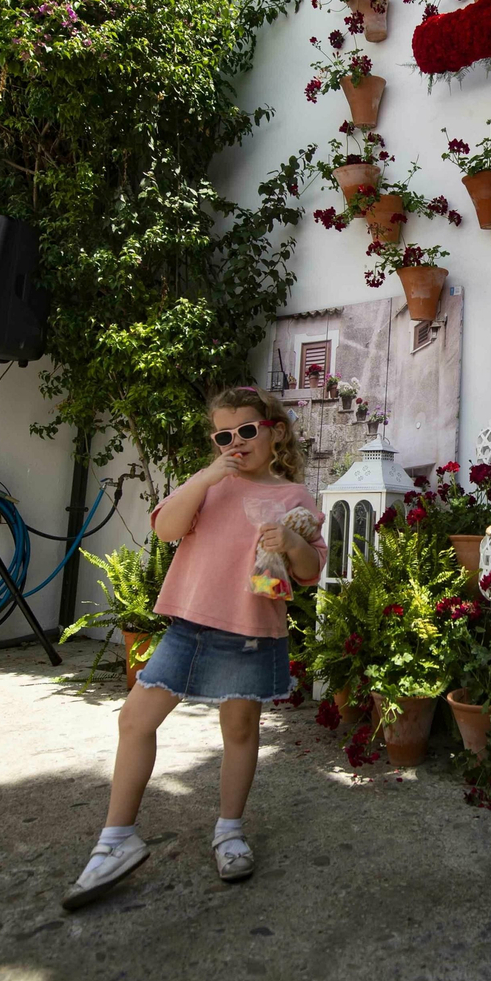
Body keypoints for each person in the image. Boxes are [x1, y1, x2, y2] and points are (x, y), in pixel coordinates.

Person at [62, 386, 327, 909]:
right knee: (135, 720)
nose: (236, 443)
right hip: (190, 625)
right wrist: (206, 476)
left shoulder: (293, 496)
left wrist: (291, 543)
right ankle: (116, 840)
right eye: (224, 435)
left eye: (247, 431)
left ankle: (229, 832)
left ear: (273, 432)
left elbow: (311, 572)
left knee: (240, 730)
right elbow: (165, 529)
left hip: (250, 627)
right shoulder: (207, 485)